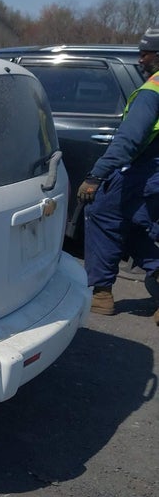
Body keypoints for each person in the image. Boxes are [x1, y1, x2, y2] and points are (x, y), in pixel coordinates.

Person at [77, 25, 159, 324]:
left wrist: (96, 176)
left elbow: (129, 141)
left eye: (145, 54)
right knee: (134, 222)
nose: (140, 60)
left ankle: (101, 295)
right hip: (151, 176)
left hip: (147, 172)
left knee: (101, 212)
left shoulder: (152, 92)